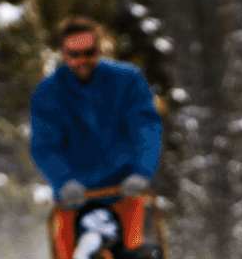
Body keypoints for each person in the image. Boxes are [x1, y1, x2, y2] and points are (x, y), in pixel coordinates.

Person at [30, 16, 162, 208]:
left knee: (132, 238)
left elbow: (146, 128)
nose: (82, 60)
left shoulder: (128, 80)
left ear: (99, 50)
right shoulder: (47, 93)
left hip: (124, 189)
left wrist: (141, 172)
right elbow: (45, 145)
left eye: (89, 52)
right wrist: (64, 181)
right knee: (70, 237)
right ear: (64, 54)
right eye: (74, 54)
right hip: (73, 195)